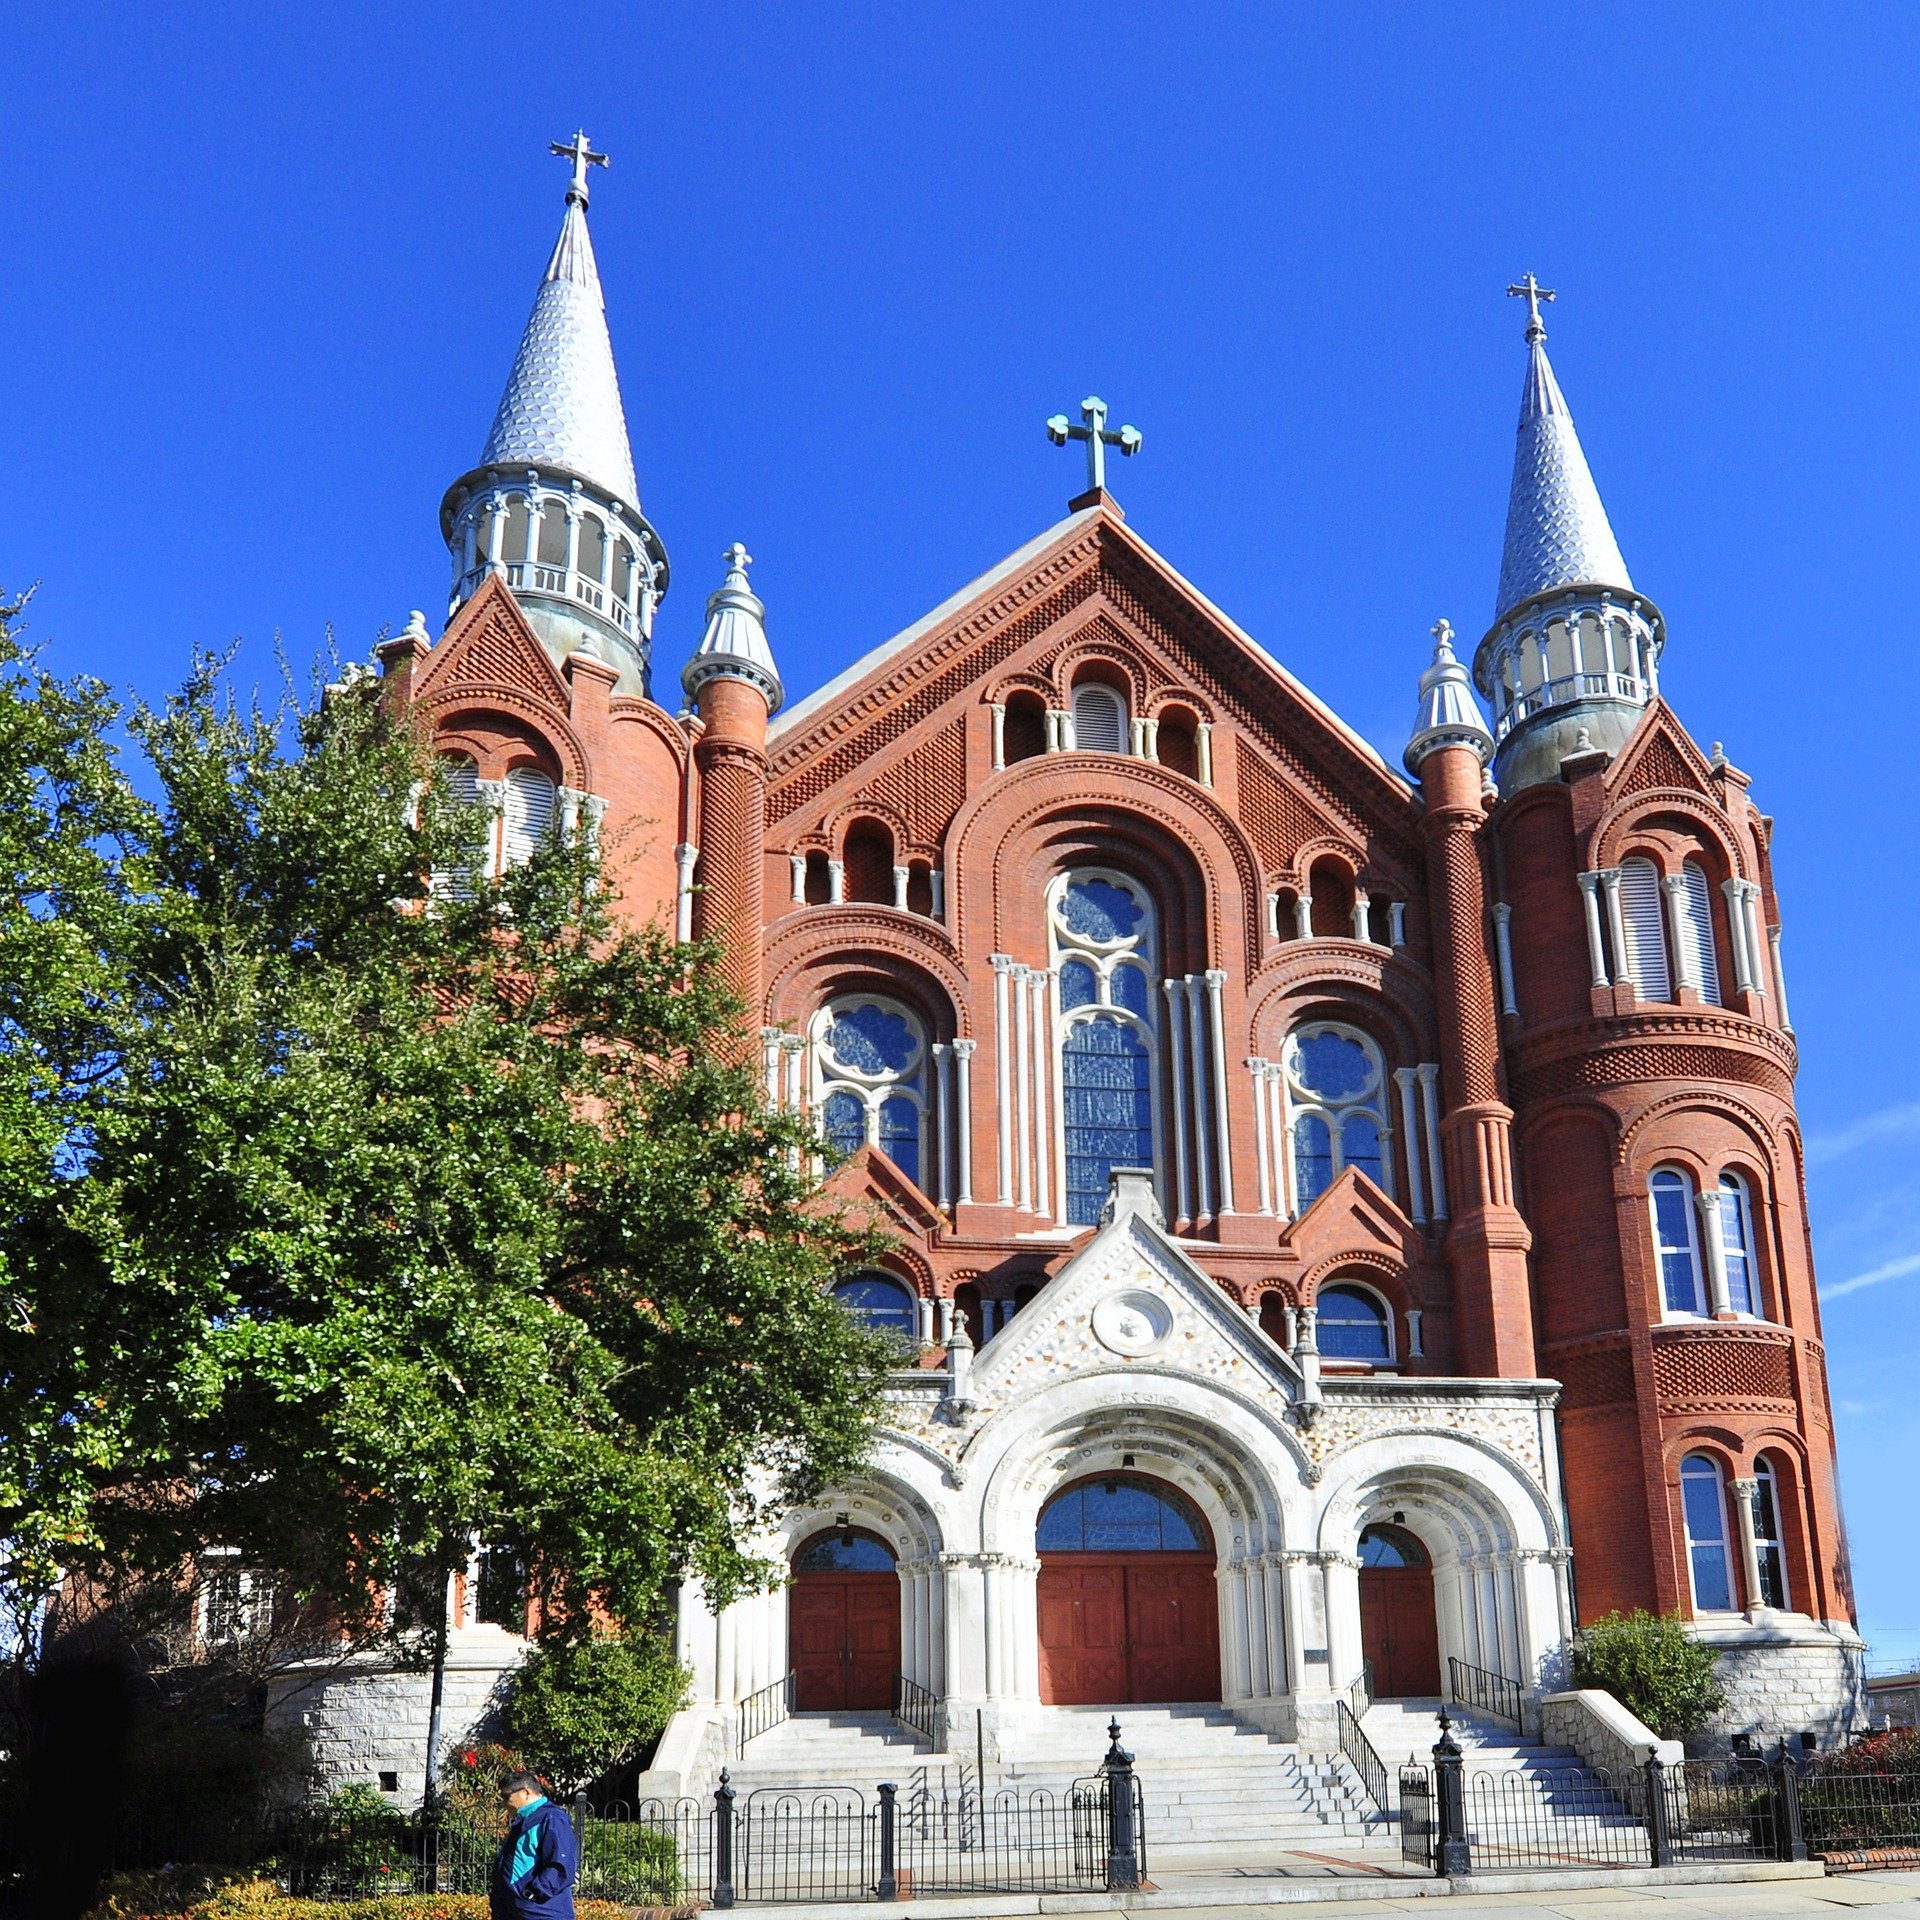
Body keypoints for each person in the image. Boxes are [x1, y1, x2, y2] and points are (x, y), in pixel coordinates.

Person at [490, 1769, 578, 1920]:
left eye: (506, 1796)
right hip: (516, 1911)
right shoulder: (523, 1821)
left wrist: (531, 1895)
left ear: (526, 1792)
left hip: (541, 1913)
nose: (504, 1802)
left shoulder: (552, 1818)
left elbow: (561, 1866)